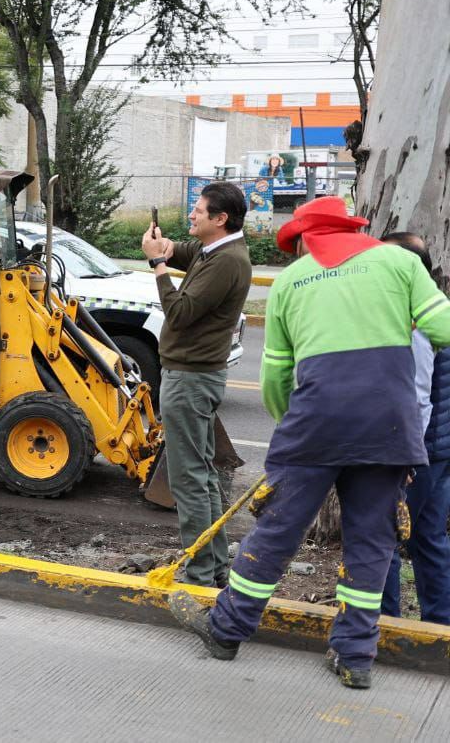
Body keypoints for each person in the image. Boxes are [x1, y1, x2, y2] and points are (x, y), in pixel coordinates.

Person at [170, 196, 450, 690]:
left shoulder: (291, 281)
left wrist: (295, 429)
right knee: (372, 542)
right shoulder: (402, 262)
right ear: (354, 229)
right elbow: (442, 329)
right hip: (388, 428)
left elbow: (276, 376)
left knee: (277, 531)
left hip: (314, 427)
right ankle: (355, 656)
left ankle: (227, 631)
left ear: (304, 238)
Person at [141, 181, 252, 587]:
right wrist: (164, 248)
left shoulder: (227, 261)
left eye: (199, 211)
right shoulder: (217, 251)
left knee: (188, 479)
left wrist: (157, 266)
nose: (191, 214)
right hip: (192, 376)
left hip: (189, 379)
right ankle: (214, 564)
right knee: (200, 476)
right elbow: (187, 253)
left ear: (220, 219)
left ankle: (201, 573)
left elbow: (181, 312)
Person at [380, 233, 450, 625]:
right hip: (437, 450)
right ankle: (440, 626)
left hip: (416, 450)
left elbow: (417, 396)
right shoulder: (437, 310)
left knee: (384, 538)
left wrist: (405, 454)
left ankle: (385, 623)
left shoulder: (416, 319)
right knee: (429, 539)